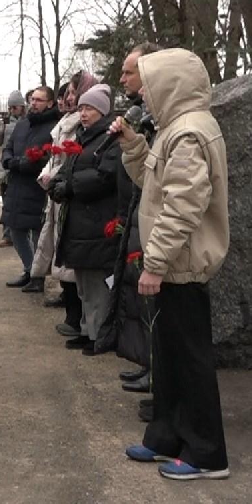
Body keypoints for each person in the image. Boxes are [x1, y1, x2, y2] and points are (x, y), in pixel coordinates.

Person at [115, 48, 231, 481]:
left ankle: (206, 454)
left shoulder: (188, 133)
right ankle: (165, 437)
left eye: (147, 81)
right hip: (172, 265)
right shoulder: (174, 131)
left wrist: (155, 262)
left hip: (180, 266)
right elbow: (155, 186)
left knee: (189, 360)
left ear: (170, 83)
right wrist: (133, 146)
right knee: (167, 359)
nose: (142, 91)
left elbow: (183, 204)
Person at [96, 43, 163, 406]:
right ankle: (149, 366)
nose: (121, 78)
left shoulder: (170, 124)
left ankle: (159, 377)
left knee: (156, 311)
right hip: (135, 212)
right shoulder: (141, 115)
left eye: (128, 72)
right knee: (140, 307)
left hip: (151, 224)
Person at [48, 84, 121, 355]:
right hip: (79, 223)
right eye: (81, 108)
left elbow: (106, 174)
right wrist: (57, 183)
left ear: (102, 110)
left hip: (96, 223)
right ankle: (86, 329)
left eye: (88, 108)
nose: (83, 113)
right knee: (82, 285)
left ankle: (98, 335)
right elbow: (68, 169)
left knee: (96, 287)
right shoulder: (84, 136)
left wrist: (69, 185)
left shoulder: (111, 137)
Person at [31, 82, 82, 320]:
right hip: (55, 191)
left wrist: (56, 176)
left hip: (68, 193)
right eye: (66, 94)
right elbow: (54, 155)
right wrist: (47, 173)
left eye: (72, 93)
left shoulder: (80, 124)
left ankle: (76, 314)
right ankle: (67, 298)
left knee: (67, 252)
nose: (67, 99)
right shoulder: (63, 124)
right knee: (55, 243)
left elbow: (75, 159)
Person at [0, 86, 61, 288]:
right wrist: (11, 161)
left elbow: (51, 156)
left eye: (39, 100)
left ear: (50, 103)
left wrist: (23, 164)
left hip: (38, 187)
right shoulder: (22, 124)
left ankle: (39, 277)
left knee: (38, 234)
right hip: (16, 185)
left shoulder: (55, 126)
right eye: (32, 99)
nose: (34, 103)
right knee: (15, 230)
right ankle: (29, 269)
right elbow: (7, 149)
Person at [0, 91, 26, 248]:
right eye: (10, 107)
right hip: (6, 169)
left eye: (15, 107)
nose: (12, 110)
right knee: (7, 203)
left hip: (20, 166)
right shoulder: (5, 124)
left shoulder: (28, 122)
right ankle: (7, 235)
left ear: (22, 107)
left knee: (20, 202)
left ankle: (20, 234)